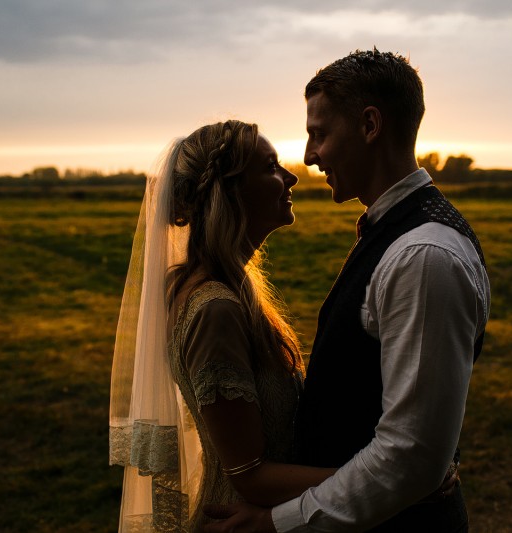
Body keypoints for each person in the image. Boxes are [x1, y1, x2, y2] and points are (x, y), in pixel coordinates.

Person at [204, 50, 490, 532]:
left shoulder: (422, 257)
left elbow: (411, 456)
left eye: (319, 134)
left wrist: (278, 523)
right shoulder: (395, 234)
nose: (310, 155)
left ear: (370, 125)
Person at [109, 120, 341, 532]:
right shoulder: (215, 308)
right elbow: (249, 474)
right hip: (241, 520)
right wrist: (387, 482)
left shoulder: (226, 290)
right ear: (229, 191)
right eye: (271, 167)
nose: (290, 178)